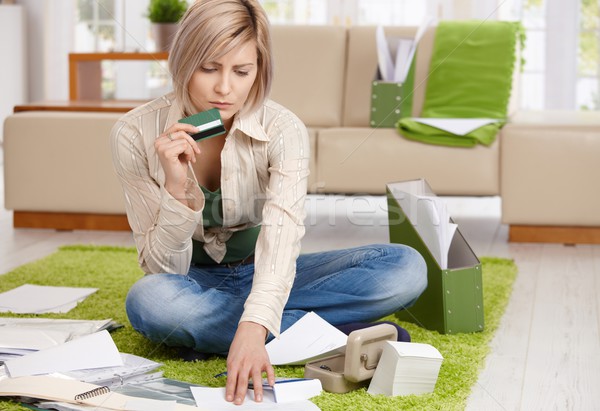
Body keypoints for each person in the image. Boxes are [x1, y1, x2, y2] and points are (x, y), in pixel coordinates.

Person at [110, 0, 427, 405]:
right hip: (194, 279)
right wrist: (176, 189)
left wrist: (252, 324)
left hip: (268, 268)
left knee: (405, 267)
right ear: (183, 61)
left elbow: (281, 237)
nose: (225, 88)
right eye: (209, 68)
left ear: (259, 70)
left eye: (242, 71)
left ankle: (228, 333)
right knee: (149, 300)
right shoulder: (132, 134)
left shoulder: (282, 128)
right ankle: (336, 335)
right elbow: (161, 269)